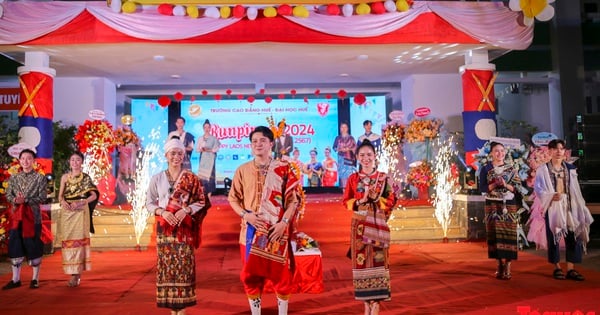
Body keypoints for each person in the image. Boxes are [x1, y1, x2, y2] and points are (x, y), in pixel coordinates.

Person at [228, 126, 301, 315]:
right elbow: (233, 199)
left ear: (271, 144)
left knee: (281, 276)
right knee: (251, 276)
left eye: (262, 140)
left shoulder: (283, 169)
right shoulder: (242, 170)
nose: (258, 144)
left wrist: (284, 223)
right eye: (254, 141)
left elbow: (293, 200)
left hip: (276, 230)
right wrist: (246, 215)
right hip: (251, 232)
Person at [146, 139, 211, 315]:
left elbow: (202, 201)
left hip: (184, 229)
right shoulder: (157, 178)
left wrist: (187, 210)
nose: (176, 157)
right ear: (166, 155)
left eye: (179, 153)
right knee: (166, 267)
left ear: (184, 156)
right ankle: (171, 307)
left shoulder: (191, 178)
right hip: (165, 229)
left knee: (184, 266)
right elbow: (149, 203)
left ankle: (181, 308)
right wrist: (162, 212)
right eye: (172, 153)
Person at [342, 140, 396, 315]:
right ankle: (366, 302)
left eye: (369, 155)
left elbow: (392, 200)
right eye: (362, 155)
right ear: (357, 157)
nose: (366, 158)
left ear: (375, 157)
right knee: (361, 263)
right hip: (358, 226)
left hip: (378, 224)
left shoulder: (383, 178)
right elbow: (346, 202)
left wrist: (375, 200)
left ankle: (377, 302)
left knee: (379, 260)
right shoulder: (353, 179)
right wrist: (360, 201)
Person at [532, 139, 594, 281]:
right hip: (553, 206)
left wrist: (579, 204)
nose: (559, 151)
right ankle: (557, 267)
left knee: (573, 235)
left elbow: (575, 188)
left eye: (561, 148)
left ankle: (571, 268)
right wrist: (550, 196)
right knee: (554, 236)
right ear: (550, 151)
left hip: (570, 205)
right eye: (555, 149)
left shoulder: (570, 168)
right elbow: (538, 188)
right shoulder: (544, 169)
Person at [2, 149, 48, 290]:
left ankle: (35, 279)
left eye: (29, 158)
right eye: (23, 158)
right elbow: (8, 194)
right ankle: (15, 279)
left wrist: (26, 199)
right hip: (17, 217)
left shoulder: (40, 178)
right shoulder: (14, 178)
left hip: (33, 217)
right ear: (20, 160)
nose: (26, 161)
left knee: (33, 245)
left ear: (34, 161)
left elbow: (43, 197)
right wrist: (15, 199)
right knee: (15, 245)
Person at [478, 141, 522, 280]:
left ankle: (508, 265)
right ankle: (499, 265)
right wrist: (494, 185)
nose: (500, 153)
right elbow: (483, 188)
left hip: (508, 205)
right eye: (496, 151)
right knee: (495, 236)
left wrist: (505, 185)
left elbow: (518, 189)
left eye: (502, 151)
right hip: (492, 204)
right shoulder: (486, 168)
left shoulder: (511, 168)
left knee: (508, 235)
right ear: (491, 153)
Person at [57, 152, 99, 287]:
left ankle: (76, 275)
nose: (75, 162)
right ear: (69, 162)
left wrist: (82, 202)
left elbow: (94, 195)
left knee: (79, 242)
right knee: (69, 241)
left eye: (78, 160)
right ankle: (72, 271)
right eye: (72, 160)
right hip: (67, 212)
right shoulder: (64, 177)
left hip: (80, 212)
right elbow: (60, 196)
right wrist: (63, 202)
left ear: (82, 162)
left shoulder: (86, 178)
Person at [196, 119, 221, 197]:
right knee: (202, 176)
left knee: (210, 176)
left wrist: (209, 150)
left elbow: (216, 149)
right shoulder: (200, 138)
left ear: (210, 128)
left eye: (208, 127)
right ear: (203, 128)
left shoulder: (213, 138)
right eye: (205, 127)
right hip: (203, 158)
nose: (207, 129)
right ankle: (203, 194)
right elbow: (197, 149)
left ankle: (209, 194)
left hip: (211, 159)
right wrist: (201, 149)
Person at [332, 122, 357, 187]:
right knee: (342, 175)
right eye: (342, 127)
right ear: (340, 128)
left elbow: (355, 147)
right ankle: (344, 190)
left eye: (345, 127)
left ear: (347, 128)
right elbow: (334, 148)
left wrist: (349, 149)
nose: (343, 129)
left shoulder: (351, 138)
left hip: (349, 158)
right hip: (341, 158)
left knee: (349, 175)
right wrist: (339, 149)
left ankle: (350, 191)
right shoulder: (338, 138)